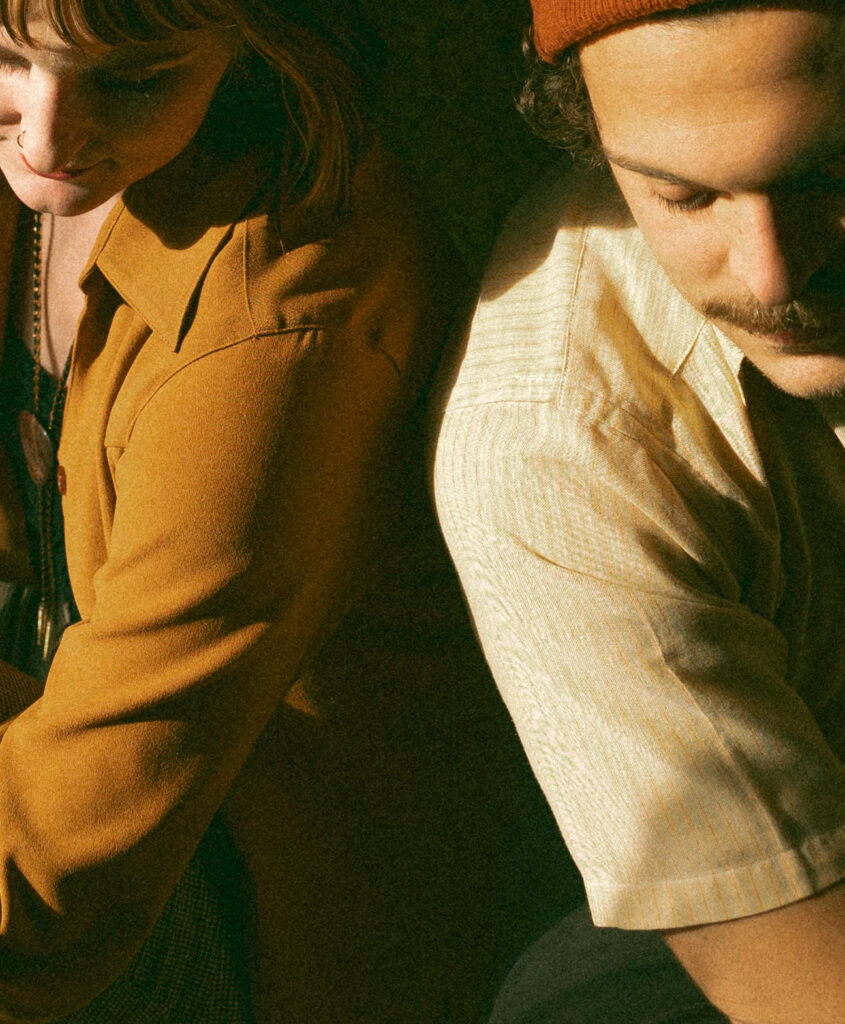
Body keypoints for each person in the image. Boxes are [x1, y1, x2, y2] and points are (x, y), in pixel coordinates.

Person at [0, 0, 576, 1020]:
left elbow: (57, 886)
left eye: (136, 78)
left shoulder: (286, 317)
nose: (45, 137)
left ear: (253, 27)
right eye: (3, 57)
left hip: (245, 916)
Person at [432, 1, 845, 1022]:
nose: (770, 271)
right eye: (684, 195)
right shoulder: (555, 446)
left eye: (828, 177)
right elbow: (798, 982)